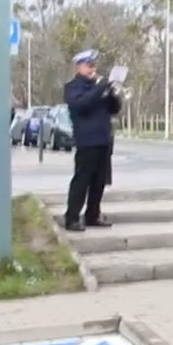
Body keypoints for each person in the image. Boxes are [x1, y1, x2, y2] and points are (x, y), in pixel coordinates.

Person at [63, 50, 122, 231]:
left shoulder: (100, 88)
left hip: (103, 139)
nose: (92, 69)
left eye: (94, 66)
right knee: (82, 180)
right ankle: (72, 217)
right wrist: (100, 88)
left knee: (99, 181)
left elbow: (114, 109)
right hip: (86, 141)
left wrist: (112, 93)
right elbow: (82, 105)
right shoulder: (73, 87)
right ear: (79, 66)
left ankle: (93, 214)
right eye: (89, 66)